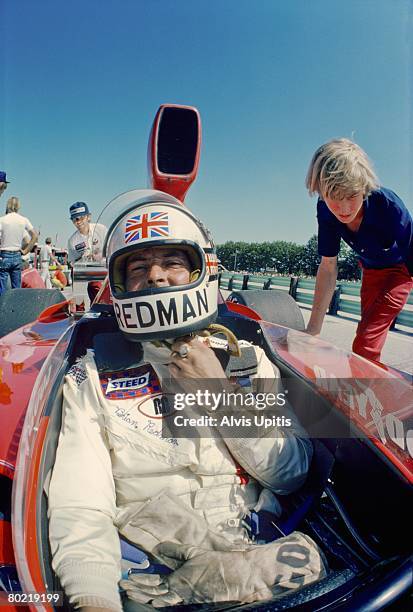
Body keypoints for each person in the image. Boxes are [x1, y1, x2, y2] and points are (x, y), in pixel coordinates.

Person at [48, 191, 325, 612]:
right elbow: (82, 506)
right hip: (155, 572)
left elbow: (290, 475)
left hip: (261, 554)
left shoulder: (245, 360)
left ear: (201, 270)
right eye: (138, 268)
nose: (156, 277)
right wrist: (93, 599)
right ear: (118, 285)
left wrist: (221, 398)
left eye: (172, 263)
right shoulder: (92, 375)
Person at [305, 138, 413, 362]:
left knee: (365, 342)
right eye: (333, 197)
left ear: (364, 188)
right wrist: (313, 331)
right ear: (320, 192)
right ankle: (372, 383)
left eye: (352, 196)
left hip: (400, 271)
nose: (344, 209)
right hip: (370, 271)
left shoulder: (389, 206)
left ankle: (363, 391)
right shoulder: (325, 210)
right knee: (366, 329)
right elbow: (328, 266)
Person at [0, 196, 38, 295]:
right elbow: (34, 236)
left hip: (4, 255)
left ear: (7, 205)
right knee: (17, 289)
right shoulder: (23, 220)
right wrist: (26, 251)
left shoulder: (2, 220)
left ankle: (2, 308)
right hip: (17, 255)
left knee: (2, 289)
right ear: (18, 206)